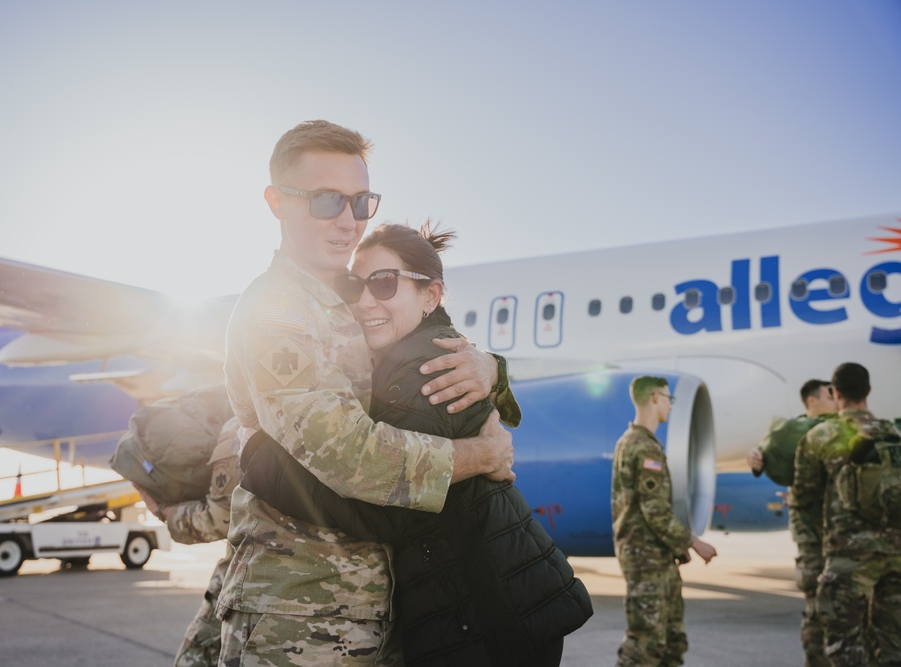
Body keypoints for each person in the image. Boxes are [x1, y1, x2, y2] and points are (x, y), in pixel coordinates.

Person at [217, 120, 516, 665]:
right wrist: (482, 455)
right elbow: (348, 453)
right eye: (328, 201)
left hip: (369, 608)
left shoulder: (349, 301)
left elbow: (425, 356)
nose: (348, 221)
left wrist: (490, 367)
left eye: (361, 202)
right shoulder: (278, 311)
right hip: (298, 611)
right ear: (277, 202)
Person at [237, 222, 592, 666]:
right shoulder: (428, 355)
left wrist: (259, 460)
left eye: (385, 284)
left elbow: (382, 508)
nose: (365, 301)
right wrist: (494, 368)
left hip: (488, 614)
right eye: (354, 285)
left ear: (430, 295)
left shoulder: (422, 375)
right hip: (498, 601)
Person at [792, 362, 901, 665]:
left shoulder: (822, 435)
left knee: (844, 641)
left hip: (849, 557)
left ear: (835, 392)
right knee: (893, 640)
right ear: (869, 391)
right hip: (896, 554)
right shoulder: (893, 432)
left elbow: (803, 496)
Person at [611, 376, 717, 667]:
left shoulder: (632, 442)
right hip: (646, 561)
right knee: (645, 645)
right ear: (656, 398)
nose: (670, 407)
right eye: (669, 400)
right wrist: (693, 542)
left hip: (658, 557)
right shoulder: (644, 448)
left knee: (672, 642)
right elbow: (654, 509)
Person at [137, 415, 242, 667]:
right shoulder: (346, 408)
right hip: (344, 590)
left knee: (194, 659)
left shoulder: (247, 423)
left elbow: (220, 518)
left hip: (252, 586)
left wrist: (164, 512)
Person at [746, 379, 837, 667]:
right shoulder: (792, 433)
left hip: (839, 532)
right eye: (829, 394)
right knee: (817, 608)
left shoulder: (833, 428)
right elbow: (764, 456)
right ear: (812, 400)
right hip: (813, 534)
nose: (836, 398)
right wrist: (756, 461)